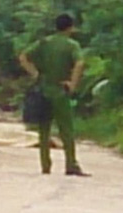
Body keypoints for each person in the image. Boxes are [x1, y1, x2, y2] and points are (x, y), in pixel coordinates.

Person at [19, 14, 90, 177]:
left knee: (44, 129)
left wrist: (35, 74)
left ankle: (45, 165)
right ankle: (71, 164)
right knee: (66, 129)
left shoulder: (44, 42)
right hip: (61, 90)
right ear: (70, 27)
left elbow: (23, 57)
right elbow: (80, 63)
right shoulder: (72, 45)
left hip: (43, 89)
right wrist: (73, 84)